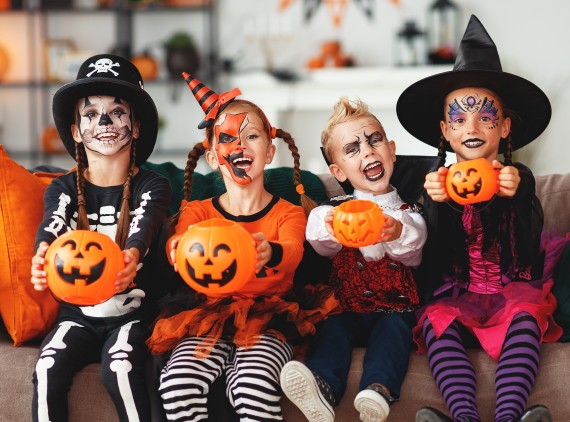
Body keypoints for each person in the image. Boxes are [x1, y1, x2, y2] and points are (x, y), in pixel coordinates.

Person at [396, 15, 561, 422]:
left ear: (504, 127)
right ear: (445, 132)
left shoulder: (515, 178)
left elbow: (528, 241)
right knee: (436, 325)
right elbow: (428, 259)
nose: (472, 126)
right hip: (457, 291)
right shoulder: (436, 184)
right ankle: (464, 417)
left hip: (511, 288)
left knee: (527, 318)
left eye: (485, 117)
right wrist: (433, 205)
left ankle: (508, 417)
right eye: (459, 118)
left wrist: (519, 194)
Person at [146, 74, 329, 421]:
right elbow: (180, 240)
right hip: (206, 313)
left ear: (270, 150)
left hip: (269, 315)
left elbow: (293, 250)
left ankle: (244, 383)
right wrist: (176, 248)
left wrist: (269, 252)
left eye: (251, 136)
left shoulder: (288, 212)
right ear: (214, 158)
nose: (240, 146)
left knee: (253, 385)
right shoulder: (197, 212)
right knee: (177, 383)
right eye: (227, 138)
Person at [30, 54, 172, 422]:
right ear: (76, 131)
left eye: (117, 112)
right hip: (76, 317)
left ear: (135, 126)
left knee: (121, 369)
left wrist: (131, 255)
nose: (104, 122)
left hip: (132, 315)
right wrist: (41, 255)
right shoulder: (62, 188)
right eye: (91, 114)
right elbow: (53, 224)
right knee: (46, 370)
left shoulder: (152, 185)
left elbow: (145, 223)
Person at [280, 96, 428, 422]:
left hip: (394, 306)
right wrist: (328, 224)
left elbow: (414, 250)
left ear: (391, 150)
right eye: (353, 149)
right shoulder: (335, 211)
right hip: (346, 307)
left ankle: (377, 390)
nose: (367, 151)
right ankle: (322, 388)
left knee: (395, 332)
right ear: (339, 171)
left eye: (375, 141)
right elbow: (319, 242)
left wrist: (394, 233)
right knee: (331, 330)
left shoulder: (408, 213)